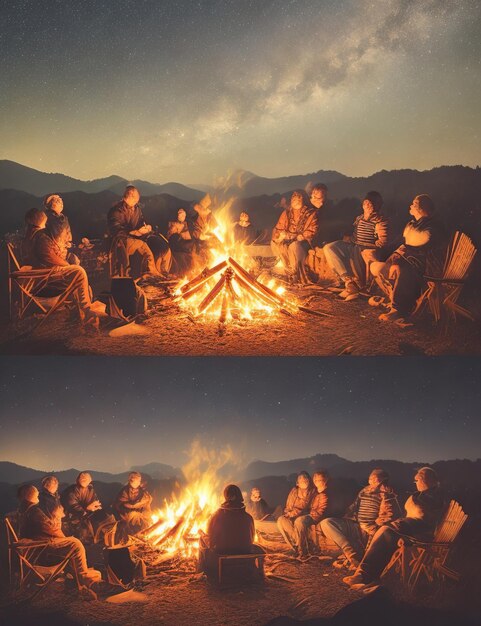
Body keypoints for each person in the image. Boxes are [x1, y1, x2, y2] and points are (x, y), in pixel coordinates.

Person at [343, 467, 445, 590]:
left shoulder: (433, 495)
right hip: (413, 528)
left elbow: (425, 516)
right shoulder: (426, 494)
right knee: (384, 532)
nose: (416, 483)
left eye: (417, 480)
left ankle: (364, 575)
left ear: (425, 480)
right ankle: (365, 574)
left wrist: (395, 522)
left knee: (385, 532)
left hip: (421, 532)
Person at [370, 194, 447, 323]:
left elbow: (422, 240)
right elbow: (405, 243)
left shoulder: (433, 226)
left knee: (403, 268)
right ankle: (393, 298)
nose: (410, 206)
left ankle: (398, 309)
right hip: (411, 263)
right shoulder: (415, 224)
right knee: (376, 267)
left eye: (413, 203)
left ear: (419, 207)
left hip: (428, 268)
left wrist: (399, 260)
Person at [17, 484, 101, 588]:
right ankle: (82, 576)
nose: (38, 494)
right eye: (36, 493)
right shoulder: (34, 511)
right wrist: (63, 537)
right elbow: (49, 528)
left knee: (71, 543)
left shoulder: (23, 510)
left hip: (36, 545)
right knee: (75, 543)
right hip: (43, 545)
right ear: (31, 495)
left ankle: (75, 576)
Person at [320, 469, 400, 570]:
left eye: (374, 479)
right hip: (356, 525)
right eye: (370, 478)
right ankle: (351, 554)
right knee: (327, 523)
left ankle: (357, 560)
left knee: (371, 555)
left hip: (371, 530)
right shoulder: (364, 490)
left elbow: (388, 515)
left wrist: (375, 526)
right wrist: (347, 515)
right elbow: (354, 506)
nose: (371, 481)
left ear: (382, 480)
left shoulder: (387, 493)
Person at [323, 191, 393, 299]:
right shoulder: (359, 218)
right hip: (354, 246)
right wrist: (348, 239)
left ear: (378, 205)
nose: (369, 206)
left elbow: (383, 241)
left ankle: (361, 287)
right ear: (363, 204)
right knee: (330, 248)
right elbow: (355, 235)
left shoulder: (381, 220)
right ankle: (349, 281)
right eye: (367, 203)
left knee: (367, 256)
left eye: (372, 203)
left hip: (368, 250)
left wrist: (371, 246)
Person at [31, 223, 103, 323]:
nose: (64, 238)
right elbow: (51, 258)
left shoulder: (48, 237)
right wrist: (67, 264)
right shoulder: (42, 239)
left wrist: (67, 255)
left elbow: (56, 256)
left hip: (51, 275)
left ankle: (77, 313)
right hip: (45, 280)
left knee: (75, 273)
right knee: (79, 272)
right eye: (63, 234)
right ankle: (86, 311)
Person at [198, 484, 261, 577]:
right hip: (244, 551)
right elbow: (252, 539)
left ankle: (202, 571)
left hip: (221, 552)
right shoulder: (248, 517)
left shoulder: (216, 516)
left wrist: (203, 536)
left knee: (201, 538)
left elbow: (210, 539)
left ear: (226, 496)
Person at [107, 185, 171, 277]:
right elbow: (116, 230)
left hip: (138, 235)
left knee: (162, 244)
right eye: (136, 198)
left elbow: (141, 221)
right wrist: (133, 232)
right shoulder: (116, 211)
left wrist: (146, 227)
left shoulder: (136, 209)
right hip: (122, 239)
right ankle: (150, 273)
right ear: (130, 196)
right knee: (144, 248)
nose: (138, 200)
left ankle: (163, 271)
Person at [271, 190, 319, 284]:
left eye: (298, 198)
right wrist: (280, 235)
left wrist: (300, 236)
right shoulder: (287, 213)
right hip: (287, 239)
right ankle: (287, 270)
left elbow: (313, 230)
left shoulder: (311, 213)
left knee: (294, 246)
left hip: (304, 242)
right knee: (275, 243)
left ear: (303, 199)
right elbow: (279, 228)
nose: (295, 200)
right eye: (293, 198)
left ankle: (297, 273)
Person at [294, 470, 337, 561]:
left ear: (325, 480)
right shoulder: (316, 492)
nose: (316, 482)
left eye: (319, 480)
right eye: (315, 479)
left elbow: (321, 512)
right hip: (313, 515)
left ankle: (303, 552)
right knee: (299, 521)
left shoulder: (325, 493)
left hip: (320, 518)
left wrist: (309, 515)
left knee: (300, 521)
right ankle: (300, 549)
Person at [61, 472, 115, 543]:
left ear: (90, 480)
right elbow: (72, 507)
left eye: (86, 478)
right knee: (85, 530)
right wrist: (87, 509)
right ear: (78, 480)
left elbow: (95, 501)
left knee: (107, 517)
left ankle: (109, 536)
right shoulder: (71, 491)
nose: (84, 479)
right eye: (82, 478)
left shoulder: (90, 489)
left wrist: (96, 506)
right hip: (74, 516)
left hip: (89, 512)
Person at [277, 471, 316, 555]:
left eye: (305, 480)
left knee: (299, 521)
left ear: (309, 481)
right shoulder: (294, 490)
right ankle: (294, 546)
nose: (304, 482)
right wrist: (287, 512)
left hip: (305, 514)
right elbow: (288, 503)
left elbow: (303, 506)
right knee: (281, 520)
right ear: (297, 483)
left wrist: (291, 514)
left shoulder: (311, 491)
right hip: (292, 514)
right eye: (301, 481)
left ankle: (301, 549)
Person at [44, 194, 79, 264]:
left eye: (61, 202)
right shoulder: (46, 218)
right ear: (51, 204)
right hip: (52, 253)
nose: (61, 204)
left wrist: (69, 243)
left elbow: (68, 236)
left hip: (64, 252)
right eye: (57, 202)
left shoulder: (64, 219)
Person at [167, 208, 195, 276]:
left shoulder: (185, 224)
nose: (183, 217)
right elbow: (171, 237)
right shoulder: (173, 224)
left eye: (184, 216)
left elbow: (189, 236)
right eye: (181, 215)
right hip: (178, 247)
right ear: (178, 216)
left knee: (192, 248)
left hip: (186, 245)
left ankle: (191, 270)